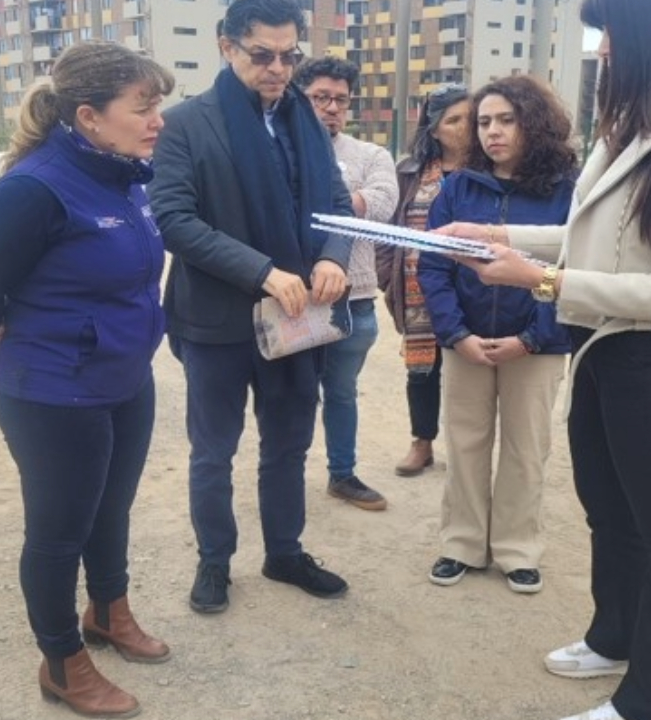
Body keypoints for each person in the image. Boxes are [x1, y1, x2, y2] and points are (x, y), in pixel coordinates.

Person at [433, 0, 651, 717]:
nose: (605, 51)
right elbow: (598, 236)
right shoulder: (644, 116)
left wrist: (541, 281)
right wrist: (500, 236)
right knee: (610, 513)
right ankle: (616, 635)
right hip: (605, 344)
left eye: (613, 32)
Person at [0, 41, 175, 718]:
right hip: (55, 393)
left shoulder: (123, 176)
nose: (157, 119)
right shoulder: (35, 189)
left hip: (124, 378)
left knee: (111, 508)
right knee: (57, 532)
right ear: (89, 116)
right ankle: (62, 661)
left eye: (158, 105)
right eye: (143, 106)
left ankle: (108, 612)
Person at [147, 0, 355, 615]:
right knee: (214, 451)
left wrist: (333, 257)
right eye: (263, 55)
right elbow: (174, 220)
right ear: (226, 46)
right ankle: (214, 561)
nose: (278, 69)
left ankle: (284, 552)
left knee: (289, 444)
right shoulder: (185, 124)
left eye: (290, 56)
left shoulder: (304, 118)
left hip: (298, 317)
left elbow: (336, 202)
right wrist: (262, 272)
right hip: (217, 321)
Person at [417, 76, 574, 593]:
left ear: (535, 122)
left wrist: (532, 338)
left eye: (506, 119)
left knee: (526, 449)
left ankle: (516, 549)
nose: (493, 132)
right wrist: (456, 333)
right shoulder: (458, 188)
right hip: (467, 343)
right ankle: (461, 543)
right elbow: (434, 266)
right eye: (484, 121)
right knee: (465, 444)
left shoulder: (567, 192)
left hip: (537, 347)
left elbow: (575, 271)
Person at [292, 56, 400, 511]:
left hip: (354, 298)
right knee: (292, 395)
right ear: (300, 98)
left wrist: (325, 201)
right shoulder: (281, 148)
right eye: (320, 97)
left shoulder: (371, 155)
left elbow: (383, 203)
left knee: (341, 392)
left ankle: (342, 474)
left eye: (340, 99)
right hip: (294, 297)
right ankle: (285, 475)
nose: (332, 107)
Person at [375, 84, 473, 477]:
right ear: (434, 130)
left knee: (469, 373)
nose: (465, 127)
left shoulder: (489, 172)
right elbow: (388, 229)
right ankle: (422, 443)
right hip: (419, 292)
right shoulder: (409, 173)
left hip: (474, 290)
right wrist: (389, 278)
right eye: (454, 120)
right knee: (422, 370)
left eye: (470, 118)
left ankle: (467, 450)